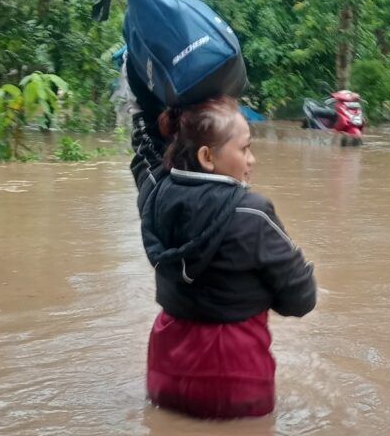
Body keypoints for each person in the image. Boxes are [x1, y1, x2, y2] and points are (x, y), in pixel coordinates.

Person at [130, 96, 316, 419]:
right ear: (207, 156)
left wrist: (143, 101)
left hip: (167, 369)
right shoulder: (253, 213)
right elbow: (301, 299)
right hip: (234, 374)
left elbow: (143, 155)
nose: (252, 159)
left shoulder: (155, 198)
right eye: (244, 149)